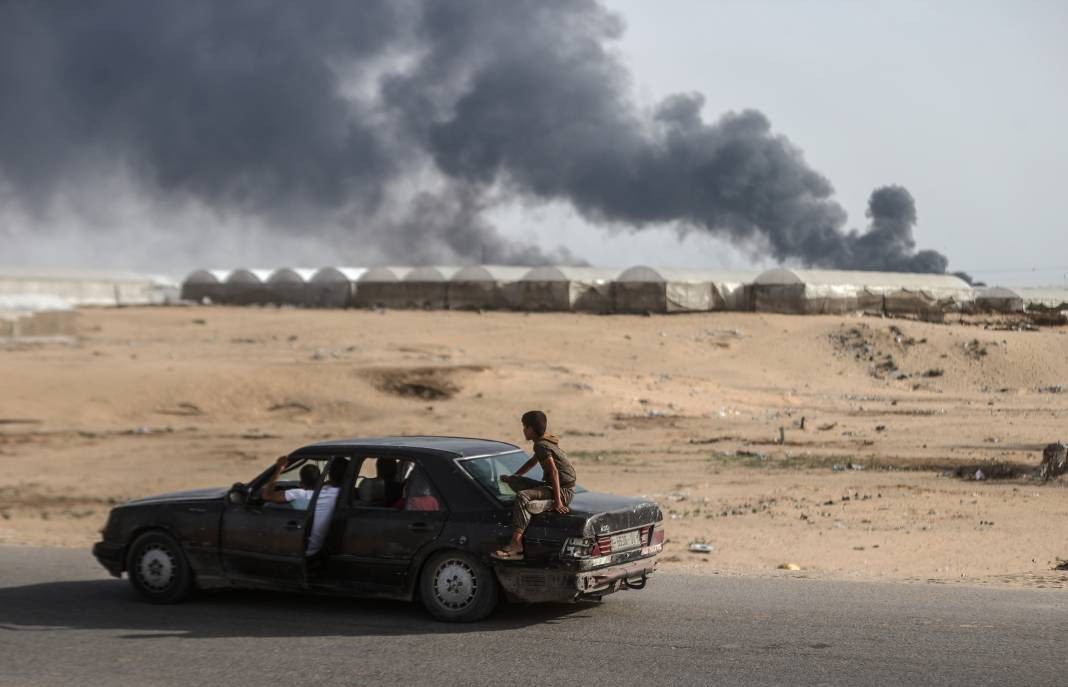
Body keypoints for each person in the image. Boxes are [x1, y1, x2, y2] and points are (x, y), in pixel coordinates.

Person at [492, 410, 577, 561]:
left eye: (524, 427)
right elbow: (532, 463)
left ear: (531, 429)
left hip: (563, 492)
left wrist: (558, 501)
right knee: (515, 481)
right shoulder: (545, 441)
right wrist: (513, 477)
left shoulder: (541, 445)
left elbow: (554, 472)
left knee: (523, 496)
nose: (523, 430)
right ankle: (542, 502)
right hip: (554, 486)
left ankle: (516, 544)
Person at [262, 456, 347, 556]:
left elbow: (267, 495)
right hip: (325, 546)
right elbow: (329, 483)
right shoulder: (339, 492)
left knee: (269, 505)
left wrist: (279, 469)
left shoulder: (300, 494)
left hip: (306, 548)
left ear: (301, 482)